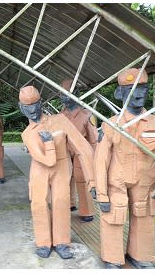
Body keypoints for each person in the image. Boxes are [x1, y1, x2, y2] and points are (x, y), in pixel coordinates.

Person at [94, 68, 155, 268]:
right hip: (116, 181)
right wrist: (101, 193)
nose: (138, 94)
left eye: (142, 88)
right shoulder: (110, 125)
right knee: (113, 217)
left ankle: (140, 255)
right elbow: (101, 160)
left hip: (145, 182)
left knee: (144, 217)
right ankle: (112, 258)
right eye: (132, 89)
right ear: (120, 93)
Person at [19, 85, 95, 260]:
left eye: (35, 104)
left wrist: (93, 181)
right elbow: (46, 159)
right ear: (21, 107)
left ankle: (62, 242)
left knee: (61, 201)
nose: (32, 110)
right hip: (39, 167)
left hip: (62, 167)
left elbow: (82, 147)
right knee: (38, 203)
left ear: (41, 103)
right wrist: (50, 144)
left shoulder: (60, 120)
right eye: (27, 106)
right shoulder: (27, 134)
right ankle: (43, 242)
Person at [59, 79, 98, 222]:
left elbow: (93, 139)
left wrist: (94, 158)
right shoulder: (60, 115)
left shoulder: (86, 114)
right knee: (66, 177)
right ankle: (70, 203)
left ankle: (87, 210)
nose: (64, 97)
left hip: (81, 152)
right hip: (65, 150)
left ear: (76, 94)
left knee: (81, 179)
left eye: (68, 94)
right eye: (62, 94)